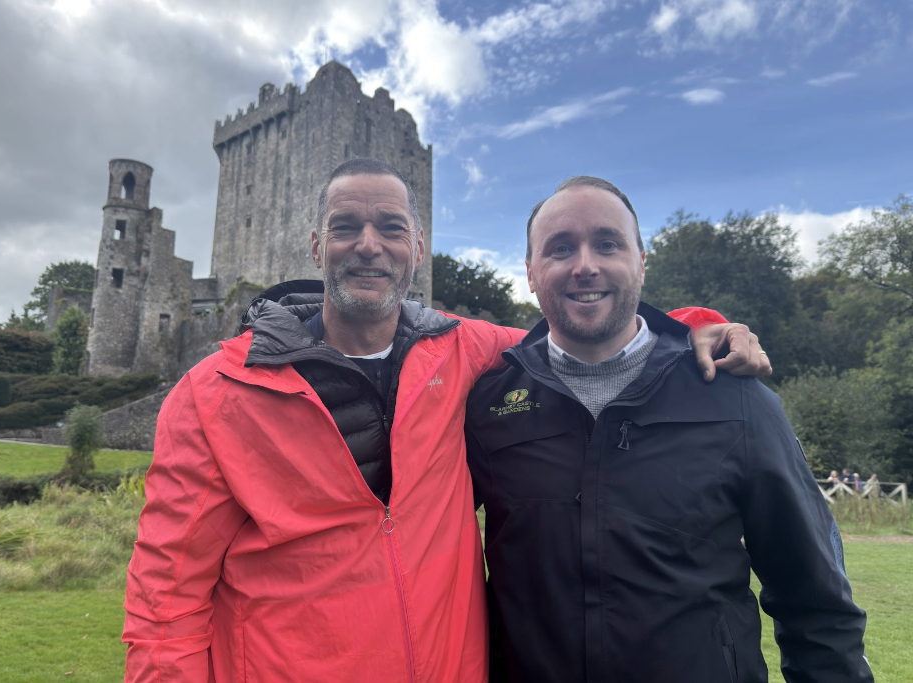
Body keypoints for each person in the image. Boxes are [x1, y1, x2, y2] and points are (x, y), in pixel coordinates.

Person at [123, 160, 767, 682]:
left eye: (392, 228)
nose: (368, 246)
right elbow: (165, 599)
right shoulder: (215, 393)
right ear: (318, 244)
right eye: (346, 226)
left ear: (418, 247)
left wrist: (691, 328)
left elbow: (583, 336)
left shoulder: (466, 352)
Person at [465, 176, 872, 683]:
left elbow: (816, 601)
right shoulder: (490, 406)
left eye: (607, 243)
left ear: (641, 261)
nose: (585, 264)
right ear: (530, 272)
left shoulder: (735, 398)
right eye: (561, 248)